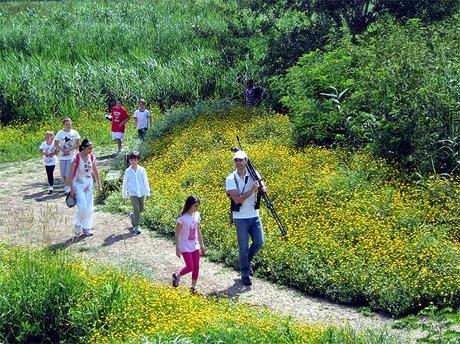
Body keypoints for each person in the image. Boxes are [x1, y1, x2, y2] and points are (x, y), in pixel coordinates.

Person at [225, 150, 265, 286]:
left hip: (254, 215)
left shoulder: (254, 174)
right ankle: (245, 274)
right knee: (243, 246)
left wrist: (262, 188)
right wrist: (253, 190)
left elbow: (263, 188)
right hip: (240, 217)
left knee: (259, 242)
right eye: (236, 160)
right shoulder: (231, 178)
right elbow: (237, 199)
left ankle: (244, 262)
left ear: (246, 161)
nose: (238, 163)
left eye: (241, 160)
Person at [67, 139, 102, 237]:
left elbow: (95, 171)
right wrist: (71, 189)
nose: (91, 150)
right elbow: (70, 174)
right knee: (82, 206)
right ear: (83, 147)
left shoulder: (92, 157)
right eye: (89, 148)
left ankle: (87, 227)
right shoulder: (76, 157)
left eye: (92, 148)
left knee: (90, 207)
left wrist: (99, 184)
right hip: (78, 184)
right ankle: (78, 224)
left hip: (88, 184)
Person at [172, 195, 206, 293]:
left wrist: (201, 245)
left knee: (196, 266)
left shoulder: (197, 215)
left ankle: (193, 287)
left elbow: (198, 230)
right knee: (190, 266)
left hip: (194, 245)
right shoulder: (182, 218)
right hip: (185, 245)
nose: (197, 208)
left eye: (197, 206)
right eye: (195, 206)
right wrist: (177, 247)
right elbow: (177, 232)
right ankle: (177, 276)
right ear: (189, 205)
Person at [122, 151, 151, 235]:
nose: (133, 161)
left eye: (135, 159)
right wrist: (125, 194)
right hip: (133, 193)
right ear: (129, 160)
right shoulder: (127, 171)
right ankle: (137, 226)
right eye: (131, 159)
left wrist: (147, 192)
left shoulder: (142, 170)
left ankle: (132, 215)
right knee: (136, 208)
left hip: (141, 192)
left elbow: (145, 181)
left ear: (138, 160)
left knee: (141, 209)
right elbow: (125, 183)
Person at [54, 118, 81, 193]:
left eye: (69, 124)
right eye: (66, 124)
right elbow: (55, 144)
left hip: (71, 155)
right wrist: (62, 149)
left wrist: (70, 148)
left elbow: (78, 144)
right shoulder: (60, 133)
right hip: (62, 156)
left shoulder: (74, 133)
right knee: (63, 174)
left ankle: (67, 186)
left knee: (68, 172)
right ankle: (68, 184)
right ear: (64, 125)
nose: (68, 126)